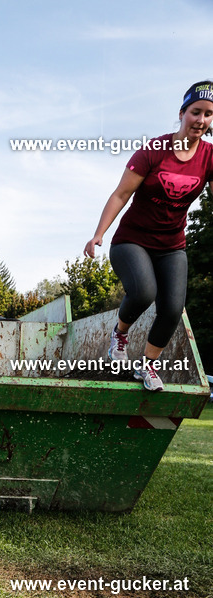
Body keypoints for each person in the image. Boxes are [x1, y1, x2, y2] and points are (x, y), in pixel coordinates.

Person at [84, 80, 213, 391]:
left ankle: (147, 366)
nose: (201, 120)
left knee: (172, 308)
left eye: (209, 115)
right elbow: (121, 194)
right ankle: (120, 333)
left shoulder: (209, 157)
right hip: (132, 241)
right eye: (196, 112)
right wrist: (98, 233)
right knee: (144, 292)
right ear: (182, 112)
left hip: (172, 246)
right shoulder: (154, 150)